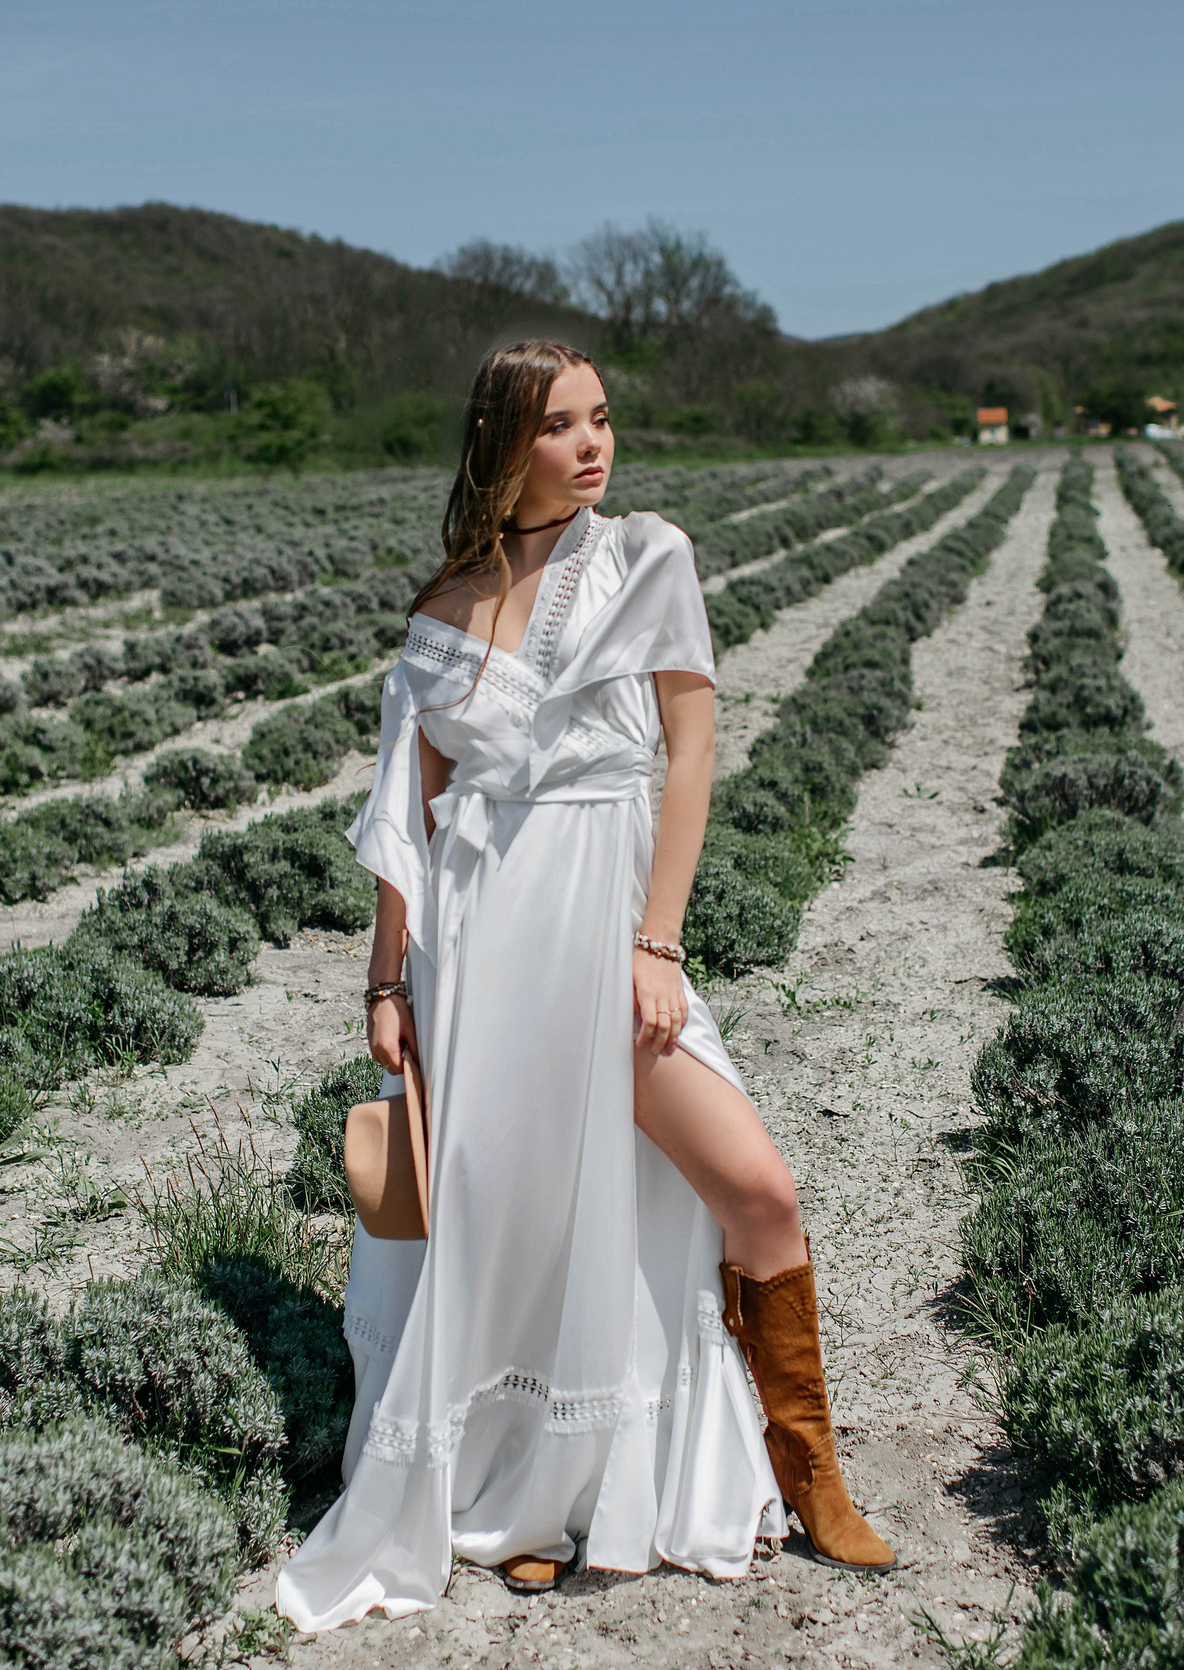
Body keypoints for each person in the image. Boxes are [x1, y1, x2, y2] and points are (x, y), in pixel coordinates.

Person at [272, 340, 893, 1634]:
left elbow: (692, 748)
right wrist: (387, 980)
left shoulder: (646, 556)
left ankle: (810, 1472)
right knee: (523, 1233)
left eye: (601, 418)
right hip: (482, 948)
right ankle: (532, 1498)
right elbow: (410, 814)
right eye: (563, 424)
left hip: (608, 926)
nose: (594, 443)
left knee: (757, 1188)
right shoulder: (443, 610)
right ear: (504, 442)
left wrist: (657, 944)